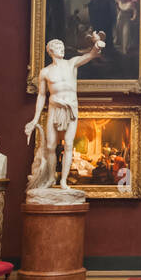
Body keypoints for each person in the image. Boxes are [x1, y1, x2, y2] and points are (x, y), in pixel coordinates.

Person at [24, 36, 105, 192]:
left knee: (68, 144)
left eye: (62, 46)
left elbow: (90, 55)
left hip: (70, 109)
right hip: (54, 108)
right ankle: (50, 179)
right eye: (58, 47)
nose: (62, 49)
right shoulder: (45, 72)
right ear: (51, 51)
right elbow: (41, 95)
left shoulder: (71, 63)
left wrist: (97, 45)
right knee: (50, 146)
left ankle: (63, 181)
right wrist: (35, 118)